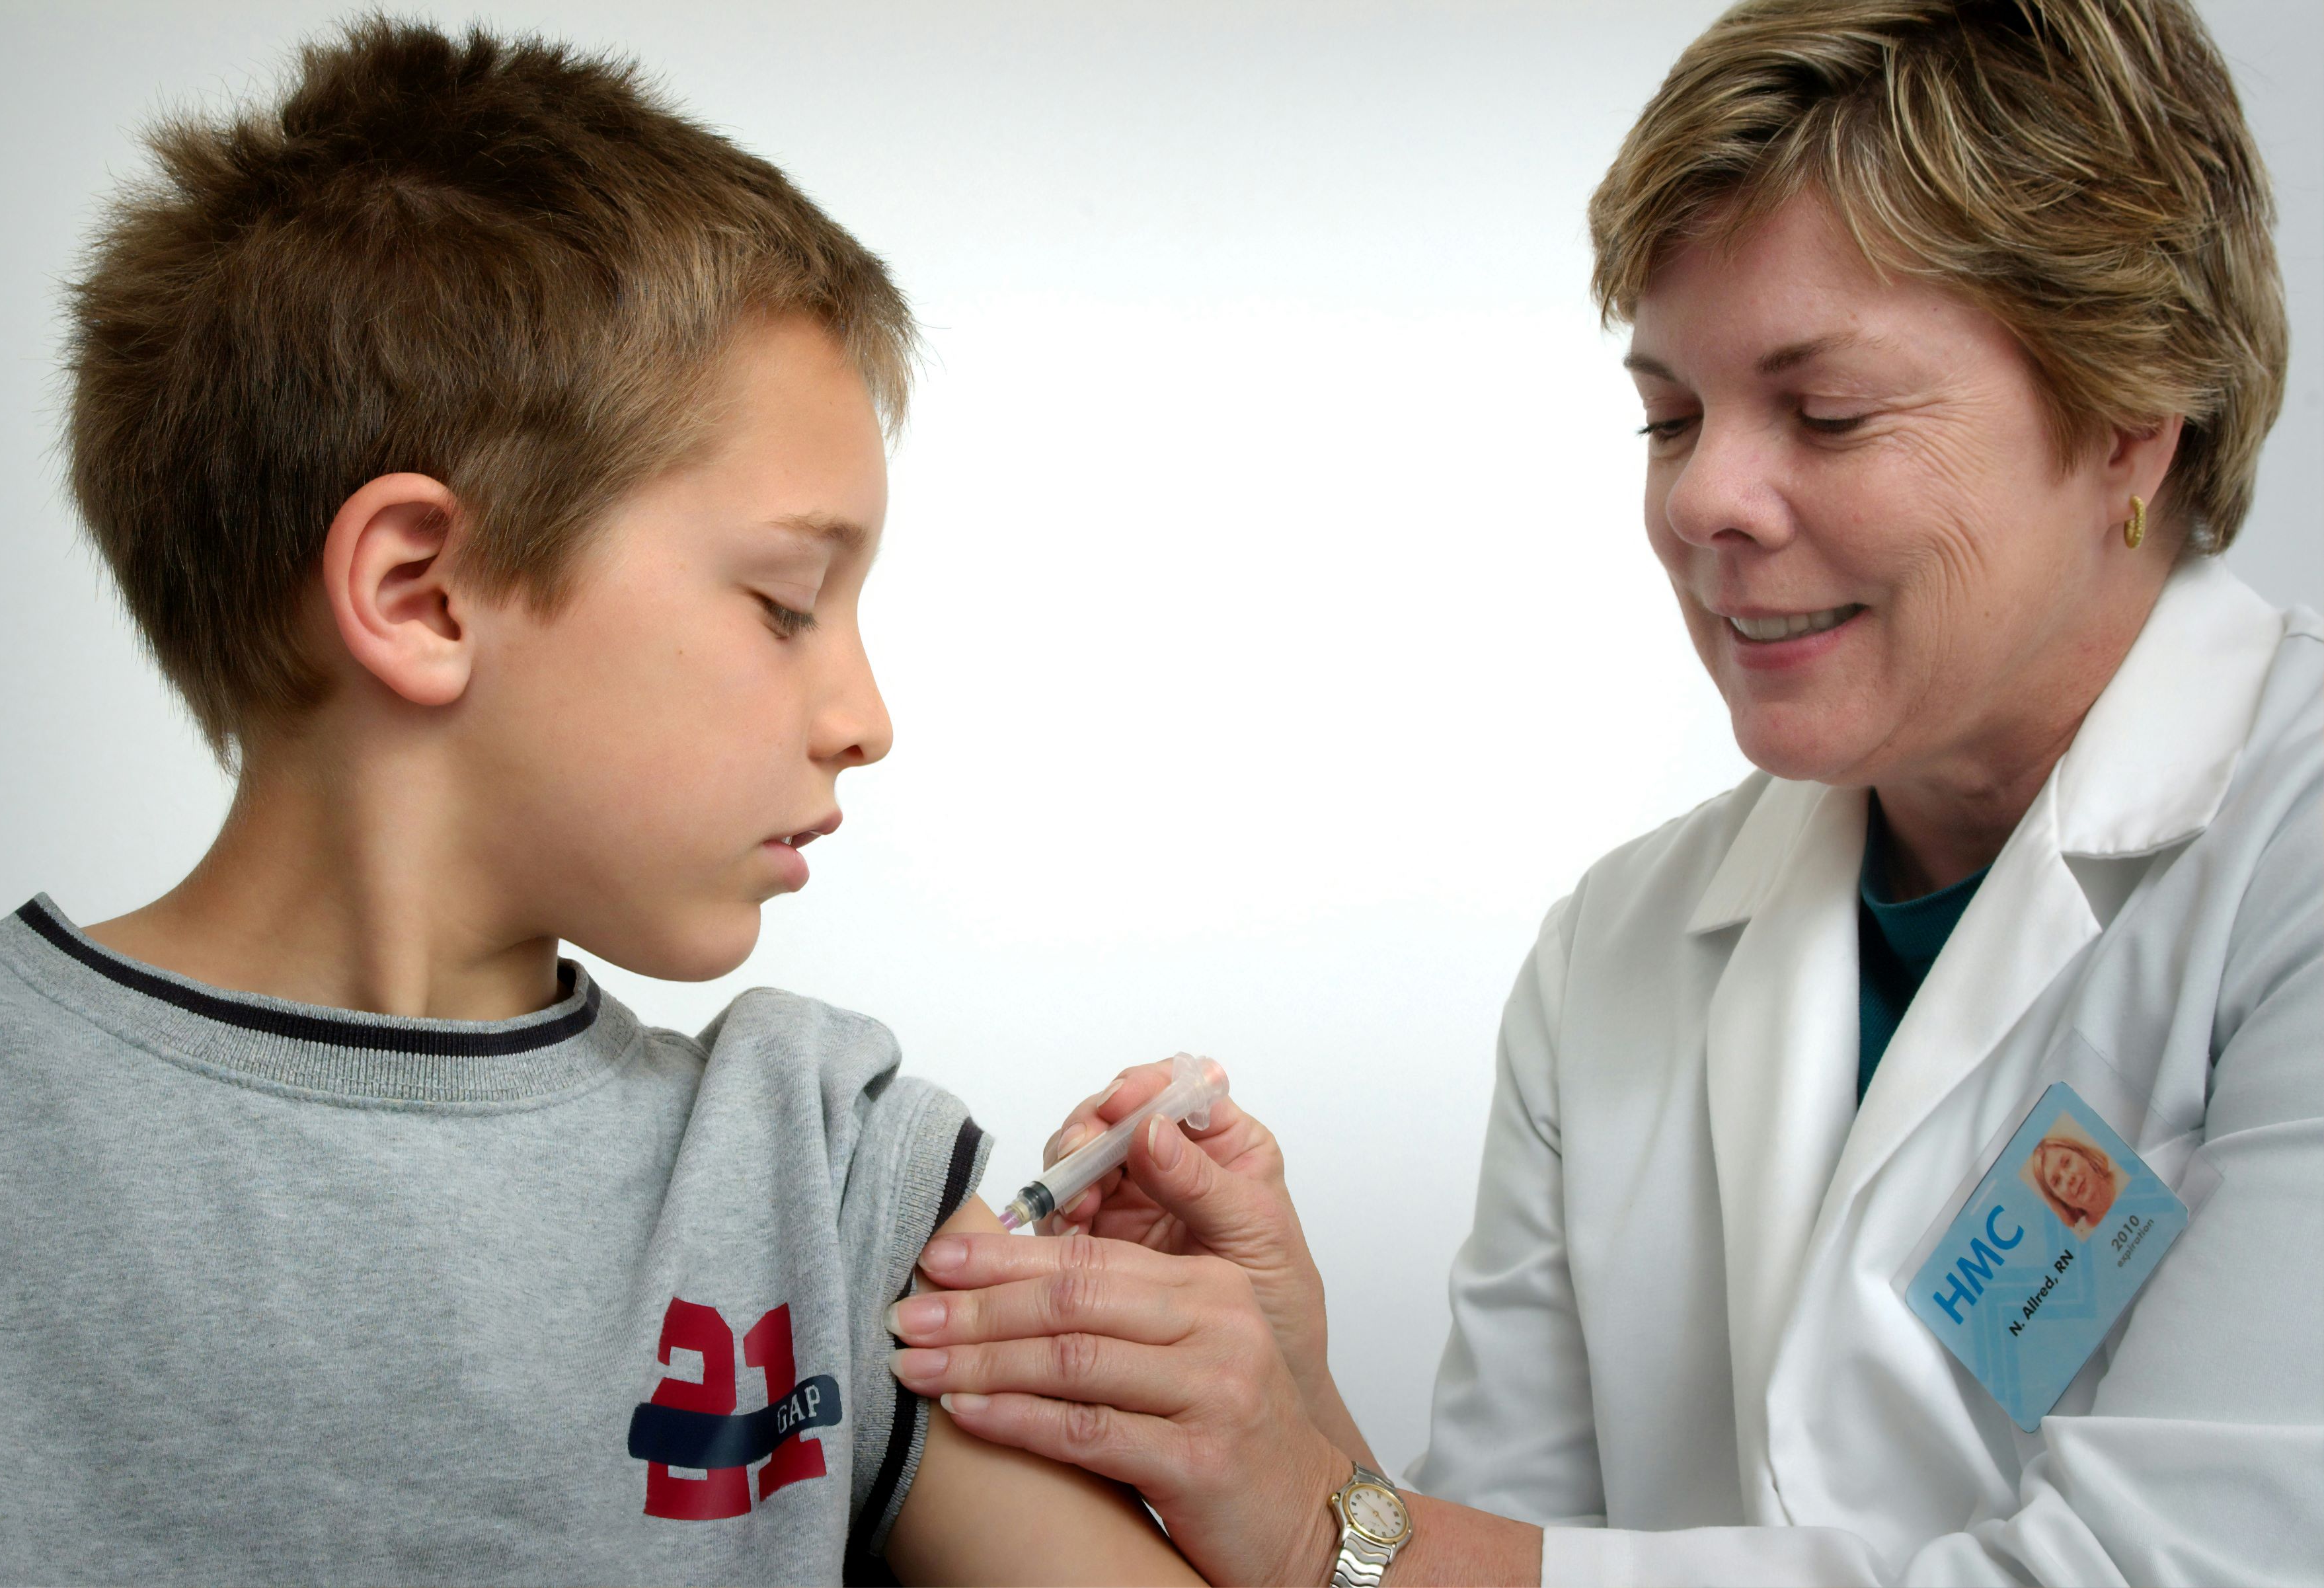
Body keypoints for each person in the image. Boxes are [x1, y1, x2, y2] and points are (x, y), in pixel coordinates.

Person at [882, 1, 2321, 1583]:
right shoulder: (1619, 951)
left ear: (2130, 417)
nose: (1702, 497)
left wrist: (1309, 1520)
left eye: (1825, 413)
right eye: (1670, 415)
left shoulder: (2286, 850)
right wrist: (1291, 1412)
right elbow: (1486, 1557)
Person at [0, 20, 1198, 1586]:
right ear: (425, 593)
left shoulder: (820, 1177)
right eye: (788, 601)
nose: (867, 721)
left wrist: (1294, 1434)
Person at [2027, 1135, 2121, 1236]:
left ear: (2083, 1155)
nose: (2069, 1179)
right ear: (2057, 1197)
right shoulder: (2081, 1237)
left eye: (2067, 1162)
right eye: (2057, 1181)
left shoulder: (2127, 1177)